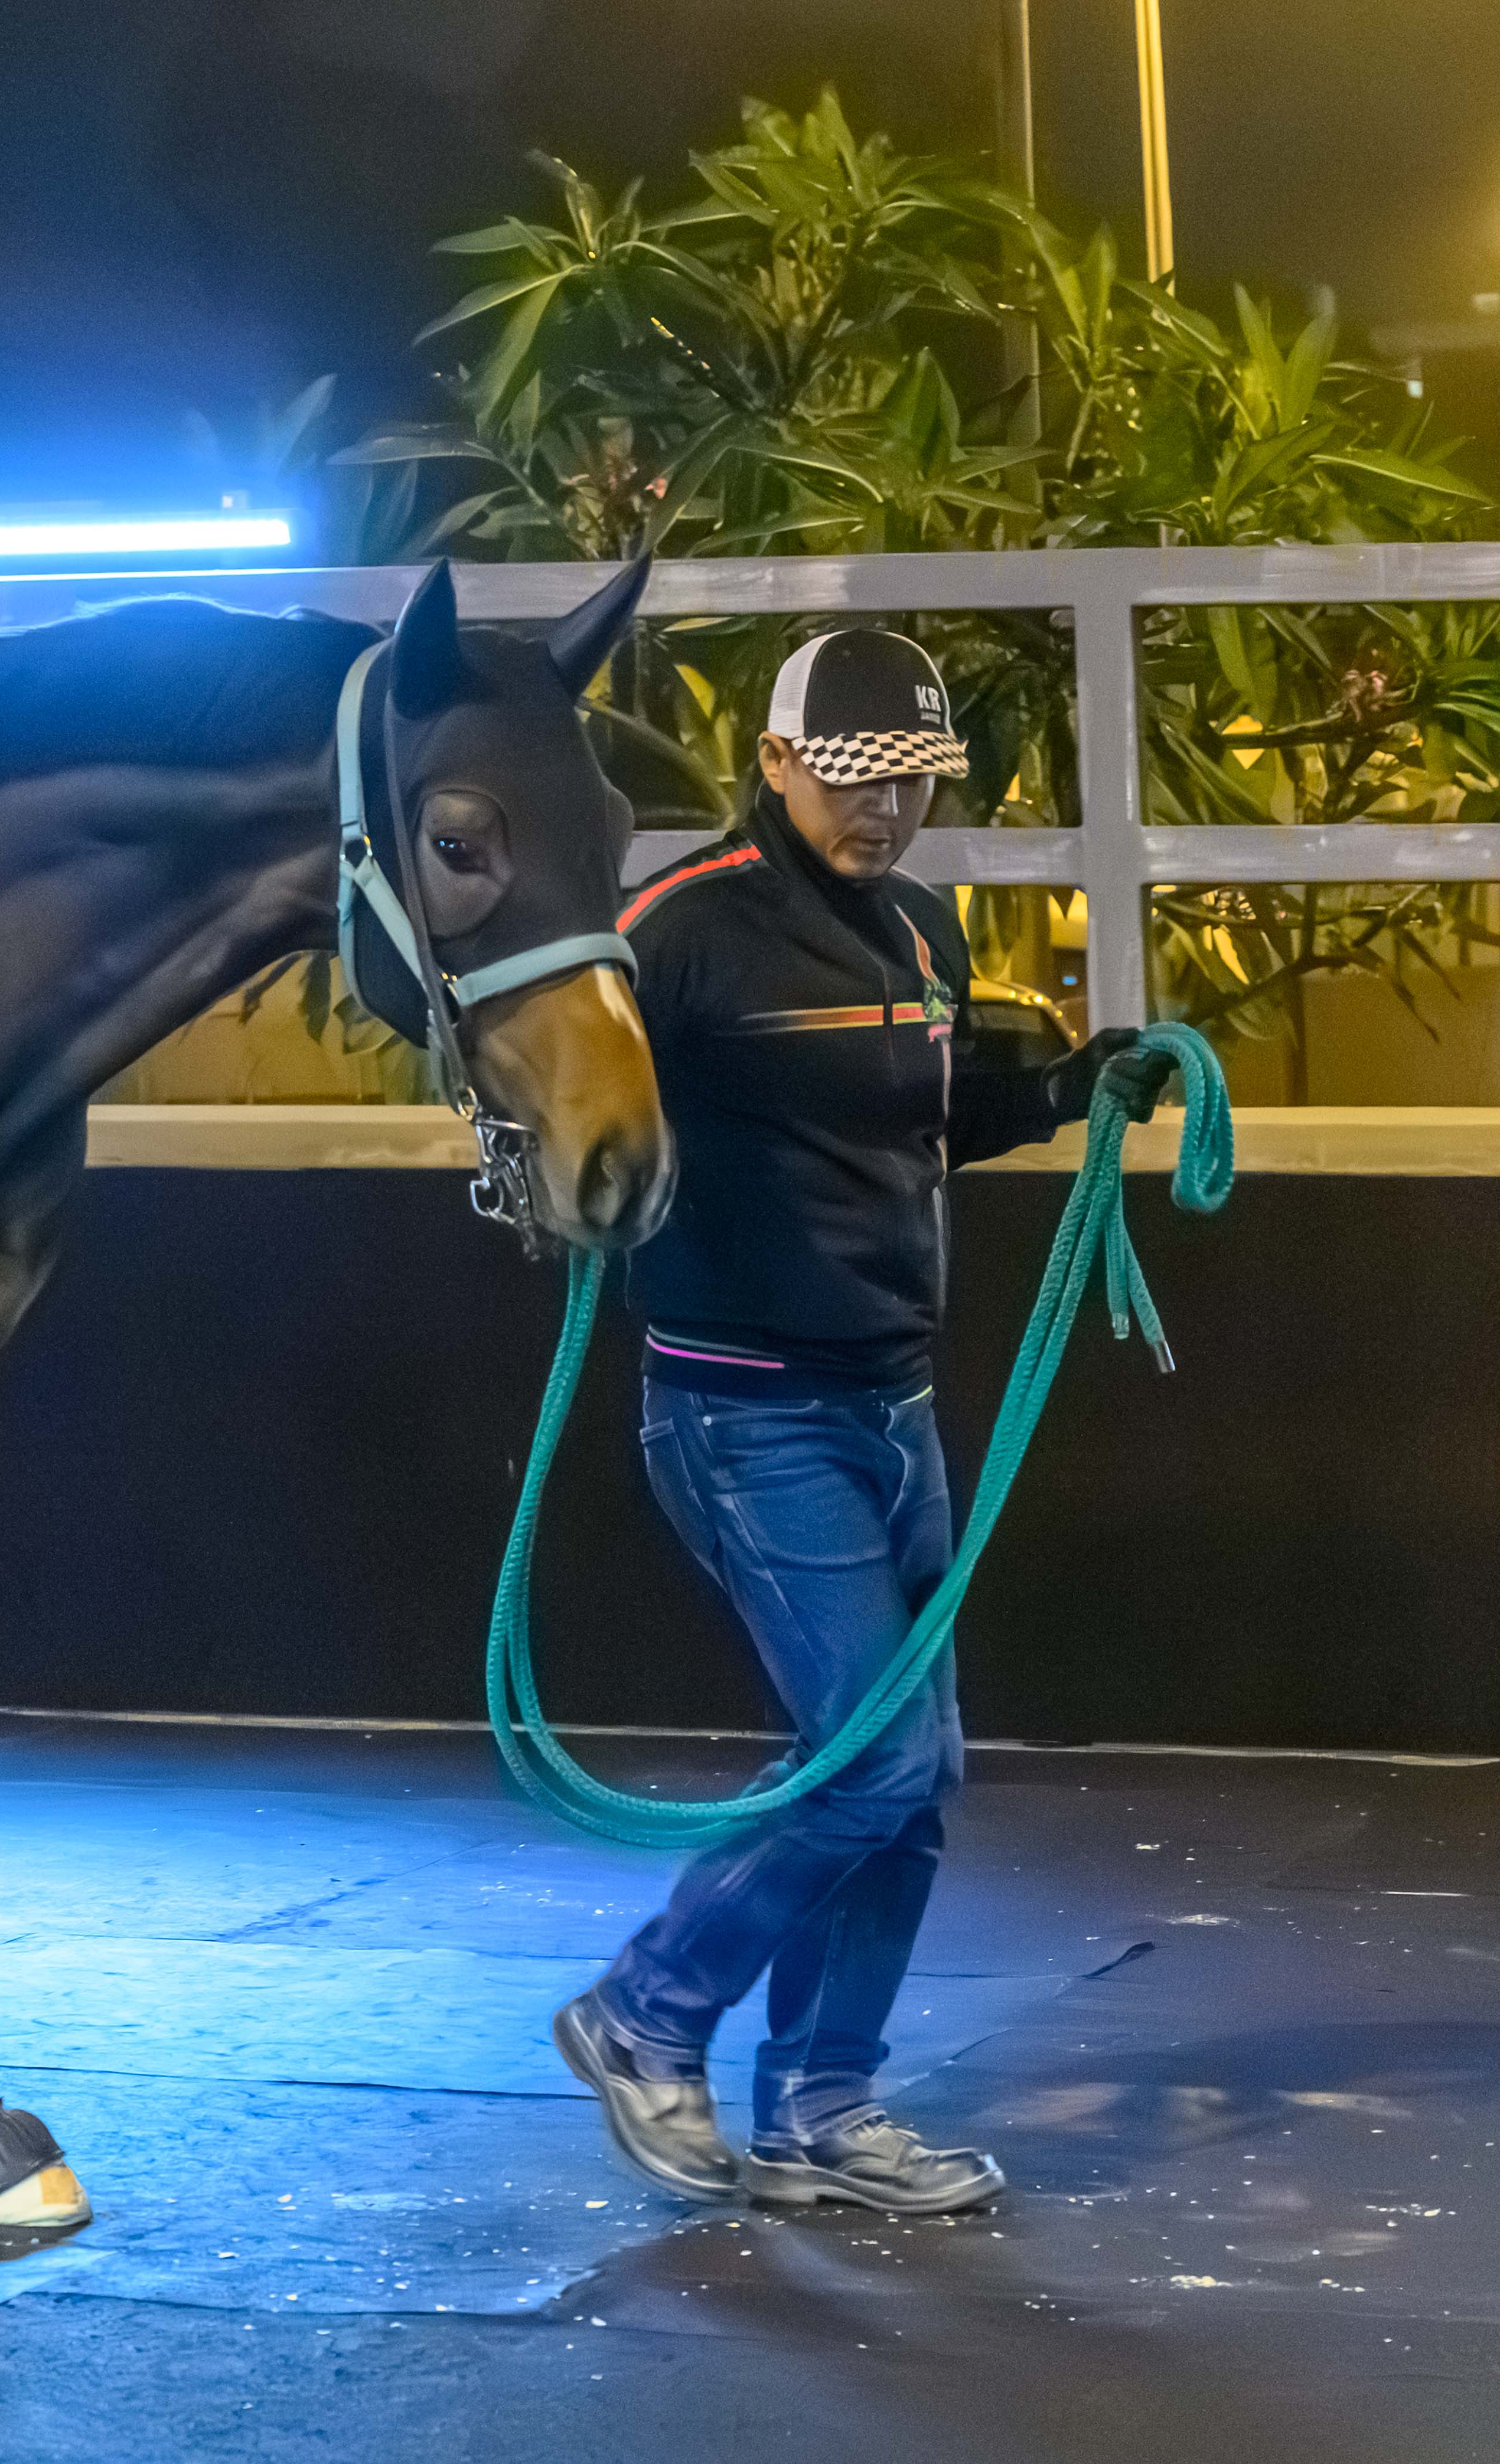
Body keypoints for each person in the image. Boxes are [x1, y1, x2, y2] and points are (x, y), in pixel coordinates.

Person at [549, 627, 1168, 2215]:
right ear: (772, 763)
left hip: (886, 1400)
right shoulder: (671, 933)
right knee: (876, 1762)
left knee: (913, 1767)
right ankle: (644, 2009)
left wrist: (1066, 1091)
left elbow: (924, 1126)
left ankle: (823, 2102)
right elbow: (560, 1108)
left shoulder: (918, 926)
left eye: (904, 783)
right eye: (847, 778)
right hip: (740, 1412)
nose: (877, 811)